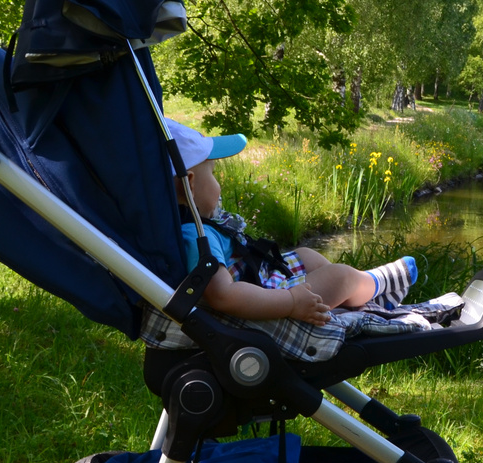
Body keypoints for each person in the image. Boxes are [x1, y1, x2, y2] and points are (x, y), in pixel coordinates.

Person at [166, 119, 416, 327]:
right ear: (189, 183)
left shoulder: (198, 228)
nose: (219, 185)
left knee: (307, 256)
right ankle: (377, 284)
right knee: (340, 277)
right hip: (268, 296)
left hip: (262, 280)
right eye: (213, 174)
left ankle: (357, 299)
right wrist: (291, 302)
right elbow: (223, 296)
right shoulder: (196, 236)